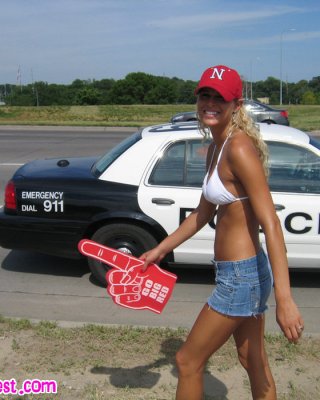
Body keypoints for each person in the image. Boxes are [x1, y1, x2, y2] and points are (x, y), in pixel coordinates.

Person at [140, 65, 304, 400]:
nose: (210, 103)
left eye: (220, 98)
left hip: (241, 278)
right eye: (205, 95)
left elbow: (271, 223)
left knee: (187, 361)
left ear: (236, 105)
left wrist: (285, 301)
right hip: (241, 272)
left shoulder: (238, 148)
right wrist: (159, 250)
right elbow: (202, 214)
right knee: (251, 358)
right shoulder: (217, 145)